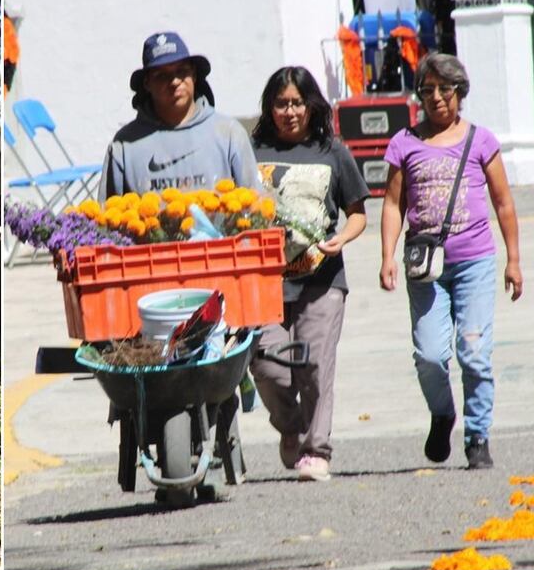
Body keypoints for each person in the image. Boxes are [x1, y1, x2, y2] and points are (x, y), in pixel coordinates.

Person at [379, 53, 522, 470]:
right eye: (428, 90)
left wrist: (514, 260)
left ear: (460, 92)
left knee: (474, 352)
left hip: (475, 261)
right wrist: (386, 256)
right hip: (426, 266)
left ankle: (478, 436)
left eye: (446, 89)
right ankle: (443, 414)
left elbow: (504, 204)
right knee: (429, 355)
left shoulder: (480, 140)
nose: (437, 98)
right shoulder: (404, 143)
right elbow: (392, 205)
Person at [247, 66, 370, 482]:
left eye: (297, 102)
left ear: (311, 105)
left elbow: (357, 214)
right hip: (263, 283)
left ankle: (316, 450)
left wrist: (342, 240)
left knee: (316, 365)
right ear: (269, 107)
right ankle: (292, 426)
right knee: (266, 365)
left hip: (322, 278)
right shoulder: (251, 152)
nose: (289, 111)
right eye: (281, 103)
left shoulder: (332, 151)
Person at [99, 31, 260, 199]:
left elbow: (256, 208)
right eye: (162, 76)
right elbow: (107, 217)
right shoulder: (125, 145)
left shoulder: (228, 133)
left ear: (194, 75)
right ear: (147, 83)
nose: (175, 82)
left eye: (182, 71)